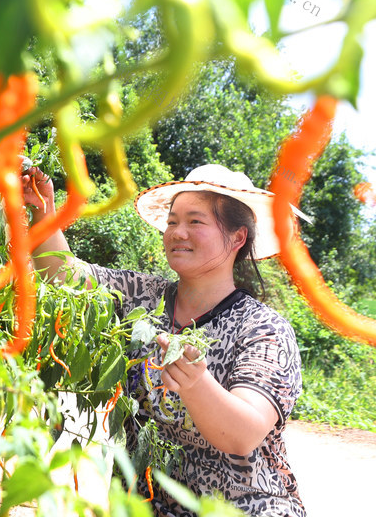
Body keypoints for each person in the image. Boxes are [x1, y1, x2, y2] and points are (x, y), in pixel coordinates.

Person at [22, 163, 307, 517]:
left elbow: (242, 434)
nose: (177, 232)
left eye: (195, 222)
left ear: (237, 238)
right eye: (172, 221)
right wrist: (41, 210)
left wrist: (197, 383)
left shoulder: (263, 329)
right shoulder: (143, 296)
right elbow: (68, 277)